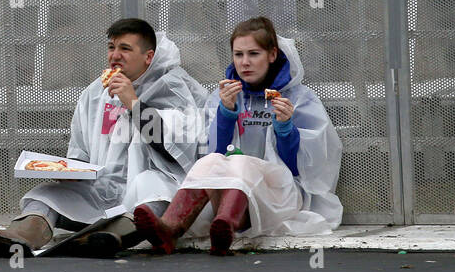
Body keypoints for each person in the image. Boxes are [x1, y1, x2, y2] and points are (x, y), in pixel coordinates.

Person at [0, 18, 206, 258]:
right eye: (111, 47)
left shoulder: (172, 87)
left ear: (148, 57)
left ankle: (112, 237)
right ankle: (18, 237)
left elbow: (177, 147)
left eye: (125, 49)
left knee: (152, 189)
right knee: (45, 193)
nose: (115, 56)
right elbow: (79, 149)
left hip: (153, 184)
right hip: (104, 188)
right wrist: (71, 172)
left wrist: (133, 104)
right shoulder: (95, 93)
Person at [132, 16, 342, 255]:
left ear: (272, 55)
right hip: (229, 196)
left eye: (254, 54)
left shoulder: (298, 98)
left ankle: (225, 226)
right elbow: (214, 154)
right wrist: (226, 114)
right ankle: (170, 229)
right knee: (210, 162)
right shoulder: (224, 95)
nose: (245, 63)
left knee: (241, 162)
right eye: (238, 54)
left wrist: (285, 129)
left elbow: (304, 170)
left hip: (282, 195)